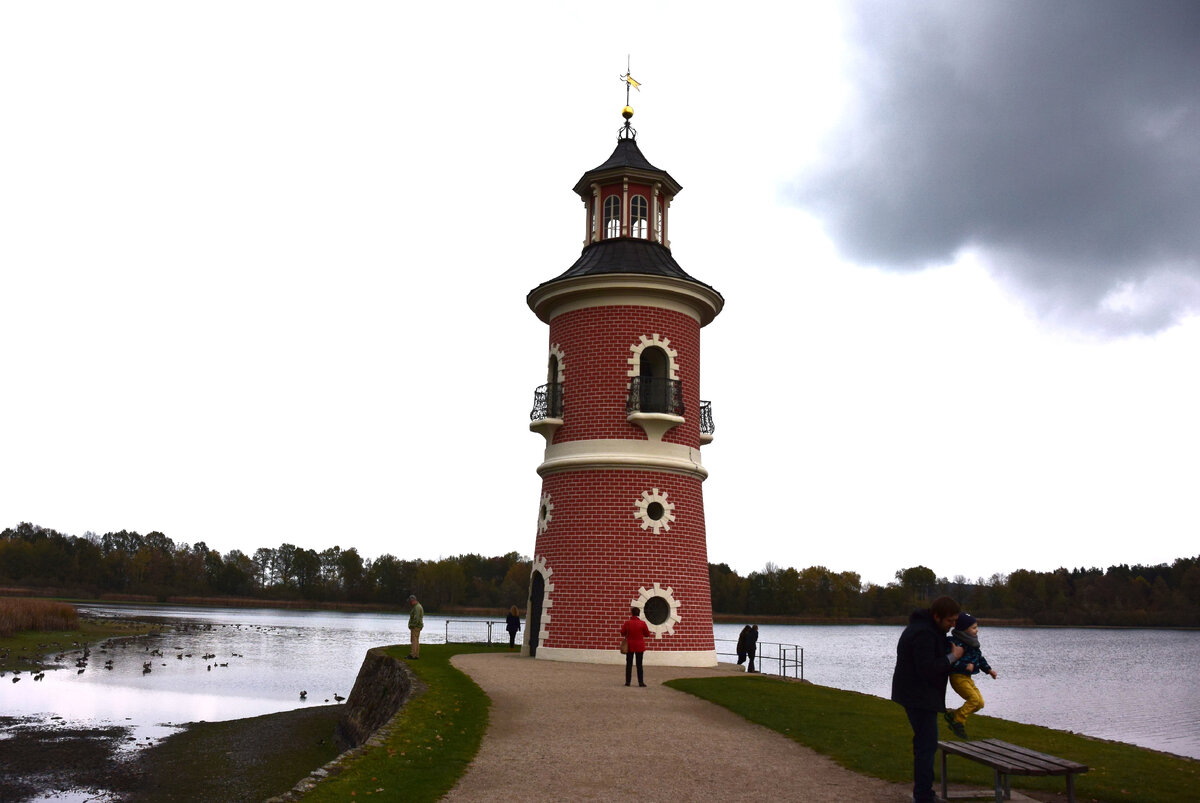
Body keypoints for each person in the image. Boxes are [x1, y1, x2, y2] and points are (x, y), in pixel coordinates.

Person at [892, 596, 964, 803]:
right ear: (937, 616)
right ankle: (923, 795)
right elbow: (928, 668)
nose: (952, 625)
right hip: (918, 697)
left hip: (916, 694)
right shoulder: (924, 633)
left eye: (955, 621)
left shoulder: (926, 629)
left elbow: (933, 656)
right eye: (950, 621)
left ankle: (924, 792)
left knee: (924, 744)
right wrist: (953, 657)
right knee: (927, 744)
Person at [944, 612, 997, 739]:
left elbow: (980, 658)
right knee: (973, 699)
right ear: (963, 630)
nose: (977, 630)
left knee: (980, 703)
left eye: (977, 627)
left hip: (967, 678)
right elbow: (949, 662)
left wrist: (989, 670)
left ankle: (953, 715)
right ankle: (958, 721)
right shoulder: (956, 643)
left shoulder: (972, 644)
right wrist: (964, 666)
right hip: (957, 677)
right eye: (973, 628)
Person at [621, 606, 651, 687]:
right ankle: (640, 682)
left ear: (632, 613)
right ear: (639, 614)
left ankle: (628, 682)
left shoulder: (627, 623)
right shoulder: (642, 623)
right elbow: (647, 634)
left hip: (629, 646)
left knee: (629, 664)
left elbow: (622, 633)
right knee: (639, 665)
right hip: (639, 646)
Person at [407, 595, 424, 659]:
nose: (410, 603)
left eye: (411, 601)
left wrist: (412, 625)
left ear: (413, 600)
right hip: (418, 626)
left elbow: (416, 618)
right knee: (416, 640)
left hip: (415, 627)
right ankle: (416, 655)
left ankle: (412, 655)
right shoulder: (418, 606)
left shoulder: (417, 607)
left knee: (414, 641)